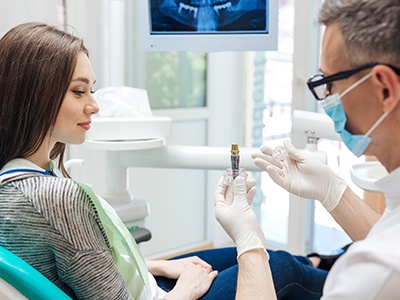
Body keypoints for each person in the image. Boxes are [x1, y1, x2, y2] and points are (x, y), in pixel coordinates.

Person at [0, 21, 338, 300]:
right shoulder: (55, 198)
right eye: (79, 91)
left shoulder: (17, 180)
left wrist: (158, 266)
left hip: (141, 284)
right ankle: (354, 279)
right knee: (281, 267)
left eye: (92, 90)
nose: (94, 104)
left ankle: (327, 261)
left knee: (260, 257)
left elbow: (84, 270)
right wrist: (186, 289)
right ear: (36, 94)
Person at [216, 0, 400, 298]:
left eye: (329, 83)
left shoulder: (376, 273)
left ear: (385, 89)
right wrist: (332, 190)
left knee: (283, 268)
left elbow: (386, 254)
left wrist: (248, 242)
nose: (326, 98)